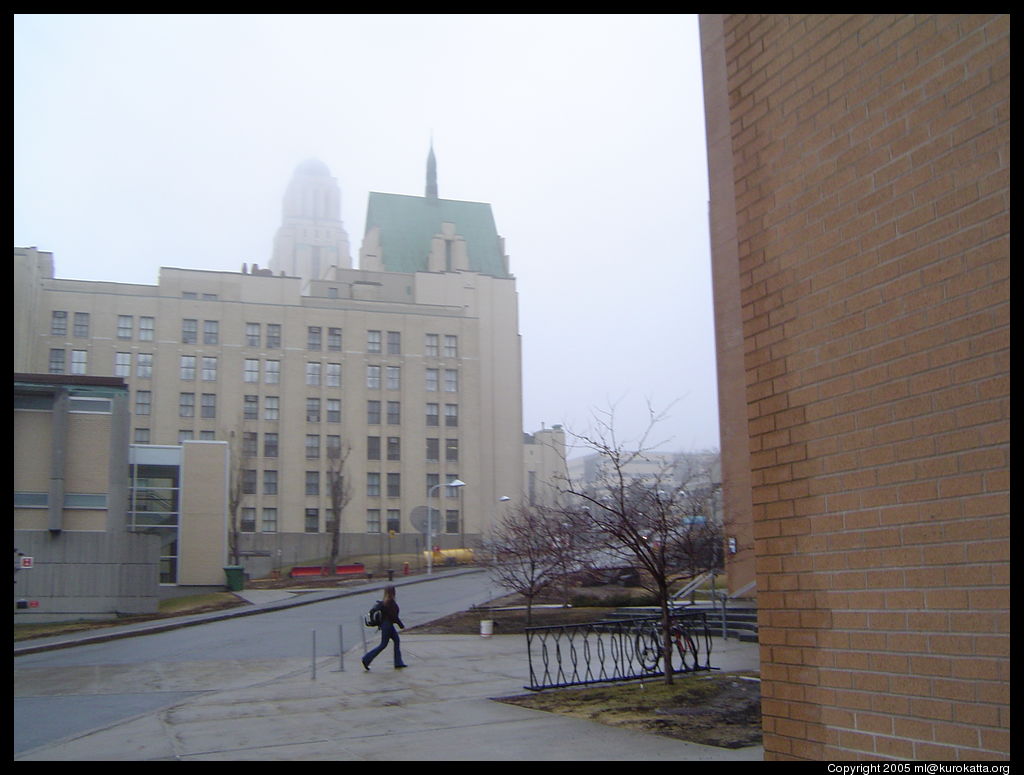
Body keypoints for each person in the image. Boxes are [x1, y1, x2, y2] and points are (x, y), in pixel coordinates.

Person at [362, 584, 407, 670]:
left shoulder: (384, 602)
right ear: (393, 592)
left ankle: (398, 662)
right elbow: (394, 617)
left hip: (385, 625)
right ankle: (366, 659)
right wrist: (402, 626)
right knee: (383, 644)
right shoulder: (390, 603)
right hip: (388, 626)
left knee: (396, 640)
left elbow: (376, 612)